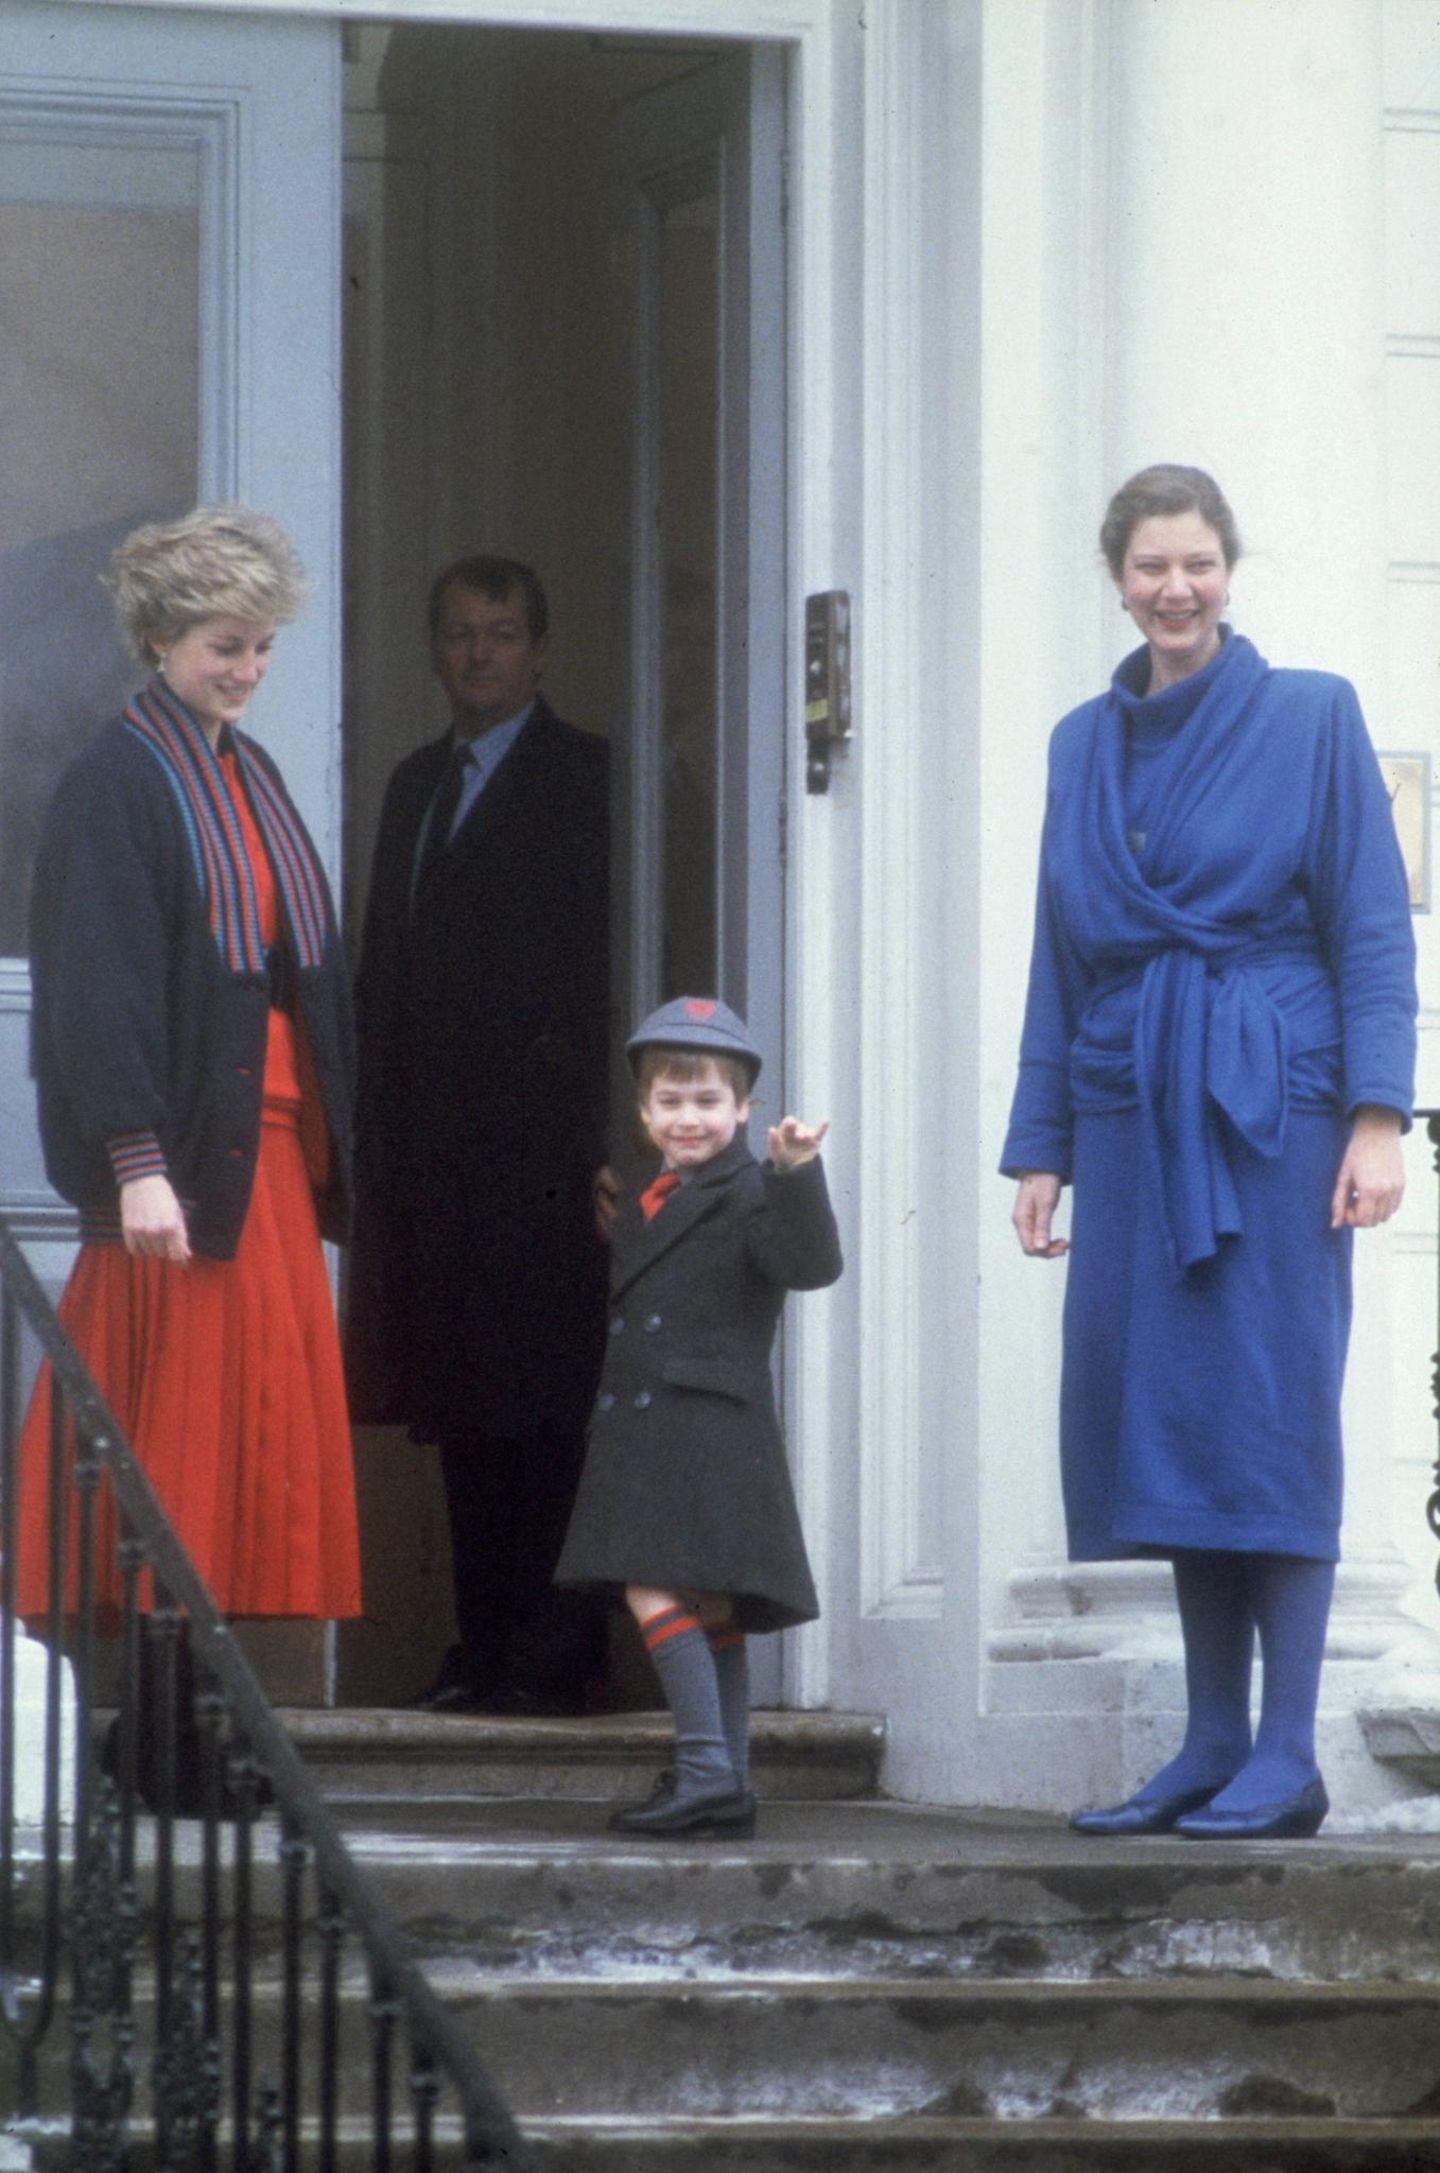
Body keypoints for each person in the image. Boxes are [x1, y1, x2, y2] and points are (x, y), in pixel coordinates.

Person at [1002, 464, 1416, 1842]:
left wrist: (1376, 1117)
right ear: (1115, 577)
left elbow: (1370, 925)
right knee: (1169, 1419)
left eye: (1198, 564)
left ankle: (1287, 1755)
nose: (1176, 589)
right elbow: (1060, 961)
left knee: (1268, 1409)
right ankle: (1209, 1741)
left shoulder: (1312, 717)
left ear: (1230, 569)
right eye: (1149, 567)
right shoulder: (1079, 744)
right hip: (1128, 1103)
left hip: (1271, 1105)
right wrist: (1041, 1144)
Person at [15, 505, 362, 1784]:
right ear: (158, 636)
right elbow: (95, 990)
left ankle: (185, 1730)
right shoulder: (117, 778)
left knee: (240, 1457)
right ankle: (152, 1738)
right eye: (228, 643)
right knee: (174, 1456)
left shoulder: (247, 775)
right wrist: (135, 1163)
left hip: (259, 1163)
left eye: (264, 646)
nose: (249, 669)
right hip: (182, 1174)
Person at [345, 555, 609, 1716]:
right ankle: (483, 1636)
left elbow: (606, 976)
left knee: (548, 1408)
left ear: (540, 649)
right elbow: (382, 976)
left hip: (550, 1158)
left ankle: (553, 1652)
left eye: (502, 632)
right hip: (435, 1159)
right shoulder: (413, 784)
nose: (479, 653)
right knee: (460, 1408)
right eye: (458, 633)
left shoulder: (590, 777)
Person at [554, 996, 843, 1838]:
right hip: (661, 1431)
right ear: (646, 1113)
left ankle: (707, 1770)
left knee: (653, 1585)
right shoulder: (652, 1196)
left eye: (710, 1101)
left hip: (710, 1429)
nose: (691, 1118)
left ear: (745, 1109)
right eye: (672, 1102)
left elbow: (810, 1263)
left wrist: (797, 1173)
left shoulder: (755, 1187)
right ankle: (730, 1783)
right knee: (710, 1605)